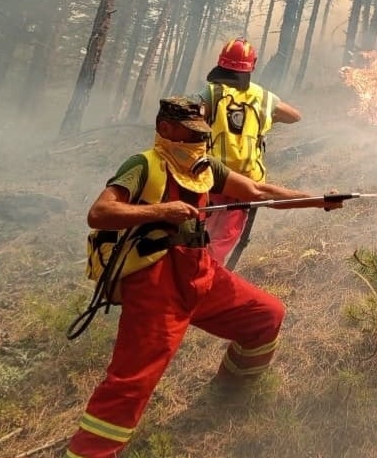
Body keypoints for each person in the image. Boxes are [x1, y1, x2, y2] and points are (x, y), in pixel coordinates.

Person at [66, 96, 341, 458]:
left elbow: (259, 192)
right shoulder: (143, 164)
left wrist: (317, 200)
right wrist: (162, 210)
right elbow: (100, 212)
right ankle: (89, 453)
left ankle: (228, 394)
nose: (200, 140)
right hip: (154, 284)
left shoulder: (205, 166)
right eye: (191, 132)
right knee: (132, 381)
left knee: (265, 315)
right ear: (166, 129)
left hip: (201, 272)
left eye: (203, 132)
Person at [200, 38, 302, 268]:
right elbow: (295, 116)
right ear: (251, 66)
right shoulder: (263, 97)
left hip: (213, 179)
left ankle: (196, 284)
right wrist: (268, 116)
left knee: (198, 237)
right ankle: (206, 284)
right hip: (247, 184)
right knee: (222, 240)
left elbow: (194, 116)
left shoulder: (212, 92)